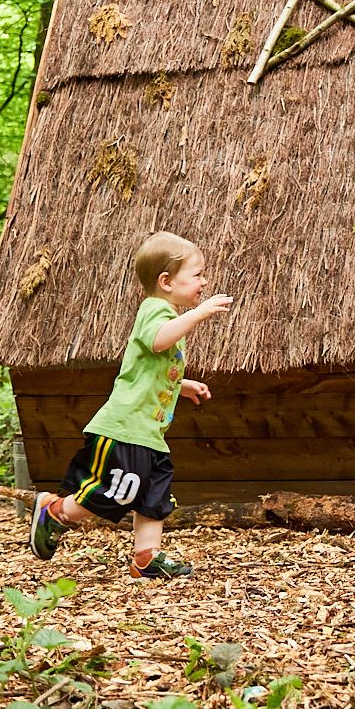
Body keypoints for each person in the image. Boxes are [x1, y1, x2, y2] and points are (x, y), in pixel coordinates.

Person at [28, 231, 230, 578]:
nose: (204, 281)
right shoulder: (155, 310)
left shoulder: (167, 315)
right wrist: (199, 314)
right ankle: (55, 510)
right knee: (116, 491)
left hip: (149, 434)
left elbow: (148, 371)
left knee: (155, 496)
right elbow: (155, 341)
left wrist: (181, 385)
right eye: (197, 274)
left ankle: (146, 558)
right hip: (124, 430)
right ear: (166, 281)